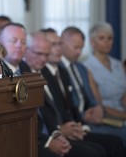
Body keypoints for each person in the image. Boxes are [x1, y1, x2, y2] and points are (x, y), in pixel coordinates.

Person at [40, 28, 125, 157]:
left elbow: (91, 98)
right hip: (69, 126)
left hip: (82, 121)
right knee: (104, 146)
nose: (79, 52)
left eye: (81, 48)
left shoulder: (80, 68)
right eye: (76, 47)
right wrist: (78, 120)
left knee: (114, 141)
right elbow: (60, 109)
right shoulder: (52, 71)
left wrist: (96, 107)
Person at [83, 23, 126, 144]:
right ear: (92, 42)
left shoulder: (118, 65)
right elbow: (98, 105)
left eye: (109, 38)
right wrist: (124, 116)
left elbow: (124, 96)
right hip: (106, 118)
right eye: (101, 38)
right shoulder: (87, 67)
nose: (107, 42)